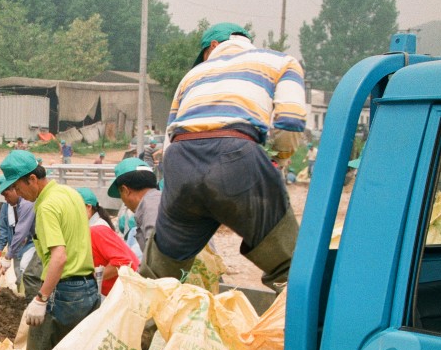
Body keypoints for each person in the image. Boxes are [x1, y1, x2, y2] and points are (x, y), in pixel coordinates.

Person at [143, 22, 305, 289]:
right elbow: (290, 122)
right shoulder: (281, 62)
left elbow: (169, 140)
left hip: (181, 161)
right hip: (237, 156)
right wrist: (278, 161)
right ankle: (298, 327)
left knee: (157, 279)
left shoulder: (192, 76)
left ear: (213, 46)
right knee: (291, 269)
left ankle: (140, 327)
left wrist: (172, 201)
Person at [0, 150, 98, 350]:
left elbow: (59, 257)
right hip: (88, 288)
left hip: (63, 292)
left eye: (19, 188)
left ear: (32, 179)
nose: (19, 194)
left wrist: (42, 298)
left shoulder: (45, 206)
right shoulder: (70, 194)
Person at [76, 188, 139, 296]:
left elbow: (123, 261)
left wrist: (92, 280)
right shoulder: (96, 226)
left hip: (119, 294)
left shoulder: (97, 230)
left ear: (88, 207)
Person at [0, 183, 40, 298]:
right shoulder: (9, 206)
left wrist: (8, 256)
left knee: (27, 271)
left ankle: (30, 299)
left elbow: (21, 231)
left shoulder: (27, 203)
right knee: (20, 272)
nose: (6, 199)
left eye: (7, 195)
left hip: (33, 244)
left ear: (15, 189)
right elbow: (4, 228)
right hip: (19, 245)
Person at [108, 158, 160, 256]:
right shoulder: (158, 200)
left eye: (120, 193)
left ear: (125, 190)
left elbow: (157, 259)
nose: (123, 201)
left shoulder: (150, 211)